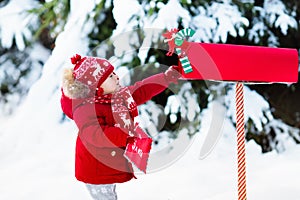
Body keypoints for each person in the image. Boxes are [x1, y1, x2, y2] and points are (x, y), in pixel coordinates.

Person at [60, 54, 181, 200]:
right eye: (110, 76)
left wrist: (167, 77)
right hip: (95, 169)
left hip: (106, 162)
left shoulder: (115, 97)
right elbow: (95, 134)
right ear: (97, 86)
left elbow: (140, 90)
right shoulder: (85, 110)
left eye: (113, 73)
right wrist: (125, 134)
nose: (117, 77)